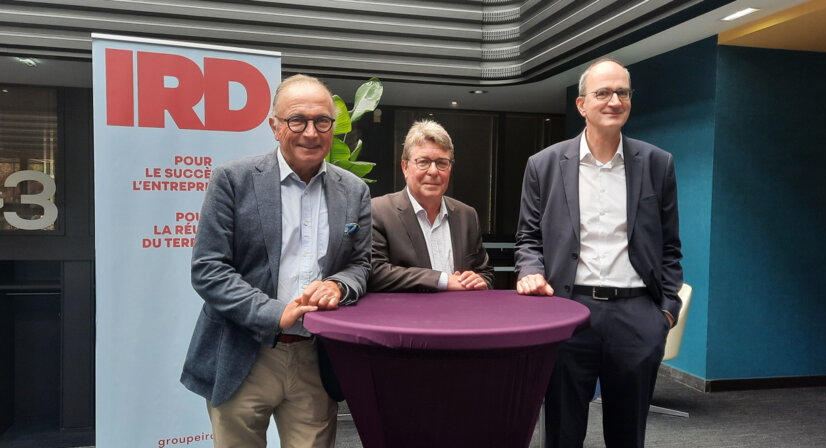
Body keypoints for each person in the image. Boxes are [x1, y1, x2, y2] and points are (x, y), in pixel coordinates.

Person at [180, 74, 371, 447]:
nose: (311, 133)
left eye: (322, 121)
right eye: (297, 120)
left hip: (315, 357)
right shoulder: (232, 180)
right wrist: (273, 313)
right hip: (243, 351)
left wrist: (338, 285)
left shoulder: (354, 190)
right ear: (275, 126)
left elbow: (360, 265)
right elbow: (209, 269)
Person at [514, 58, 683, 448]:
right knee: (562, 432)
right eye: (603, 92)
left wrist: (665, 313)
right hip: (570, 312)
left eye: (622, 92)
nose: (614, 100)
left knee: (628, 436)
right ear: (582, 104)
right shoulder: (544, 165)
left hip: (638, 316)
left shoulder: (658, 163)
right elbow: (528, 239)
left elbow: (670, 246)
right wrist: (530, 270)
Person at [369, 119, 494, 292]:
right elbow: (375, 272)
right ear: (405, 167)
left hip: (461, 316)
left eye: (442, 163)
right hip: (406, 317)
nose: (433, 171)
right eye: (423, 162)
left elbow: (485, 272)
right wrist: (442, 280)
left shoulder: (467, 215)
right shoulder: (379, 211)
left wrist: (478, 280)